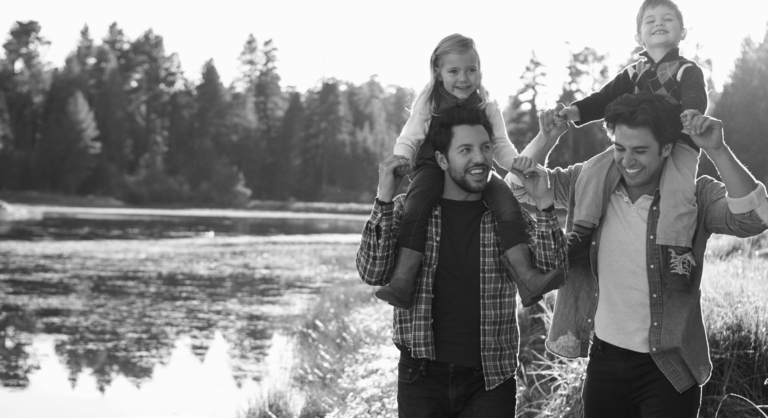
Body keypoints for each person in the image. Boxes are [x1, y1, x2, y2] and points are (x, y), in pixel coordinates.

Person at [511, 92, 768, 417]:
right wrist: (545, 138)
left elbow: (754, 218)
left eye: (640, 151)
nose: (628, 161)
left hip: (668, 367)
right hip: (604, 360)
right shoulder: (589, 183)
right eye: (620, 148)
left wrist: (717, 149)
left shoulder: (693, 196)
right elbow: (518, 188)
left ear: (666, 148)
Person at [357, 105, 567, 417]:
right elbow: (372, 271)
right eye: (465, 150)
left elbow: (554, 268)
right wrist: (384, 197)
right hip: (421, 377)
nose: (479, 159)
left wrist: (544, 203)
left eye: (484, 148)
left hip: (491, 379)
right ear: (442, 159)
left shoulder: (506, 215)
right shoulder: (408, 211)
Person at [374, 33, 564, 309]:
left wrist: (515, 164)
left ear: (480, 70)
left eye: (471, 70)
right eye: (454, 71)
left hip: (478, 169)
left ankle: (527, 276)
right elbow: (410, 138)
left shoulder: (487, 105)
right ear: (438, 73)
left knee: (507, 205)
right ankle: (403, 279)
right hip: (430, 167)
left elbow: (500, 146)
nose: (463, 78)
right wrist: (402, 159)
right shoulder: (428, 102)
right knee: (415, 209)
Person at [558, 0, 707, 268]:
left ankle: (677, 252)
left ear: (683, 33)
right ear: (639, 37)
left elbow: (694, 94)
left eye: (667, 19)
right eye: (651, 20)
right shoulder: (633, 72)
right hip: (634, 142)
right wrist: (574, 112)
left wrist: (693, 112)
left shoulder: (687, 70)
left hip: (679, 141)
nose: (659, 23)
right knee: (593, 170)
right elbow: (603, 98)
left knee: (679, 188)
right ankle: (581, 234)